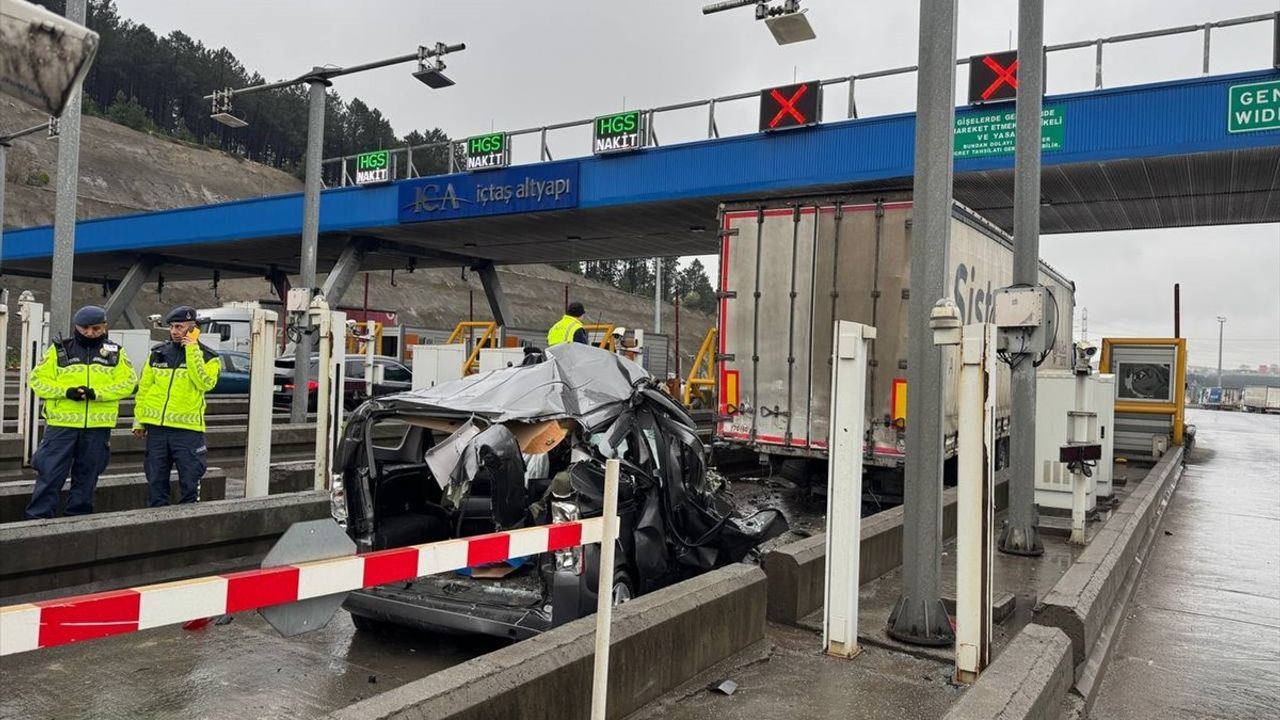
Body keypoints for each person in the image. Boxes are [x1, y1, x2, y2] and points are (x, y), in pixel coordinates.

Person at [24, 305, 136, 520]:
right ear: (76, 326)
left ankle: (78, 519)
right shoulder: (60, 350)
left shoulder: (115, 353)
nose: (90, 333)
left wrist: (97, 393)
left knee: (88, 475)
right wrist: (65, 392)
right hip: (62, 426)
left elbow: (129, 383)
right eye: (84, 328)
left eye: (95, 328)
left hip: (97, 427)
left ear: (104, 327)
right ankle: (37, 518)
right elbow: (37, 380)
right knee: (50, 473)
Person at [133, 305, 221, 507]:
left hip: (187, 432)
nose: (174, 331)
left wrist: (192, 350)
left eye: (179, 327)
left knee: (190, 482)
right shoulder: (158, 354)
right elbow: (144, 390)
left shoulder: (209, 357)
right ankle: (156, 521)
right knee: (155, 481)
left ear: (193, 329)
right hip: (157, 430)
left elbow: (205, 383)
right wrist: (139, 421)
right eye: (172, 327)